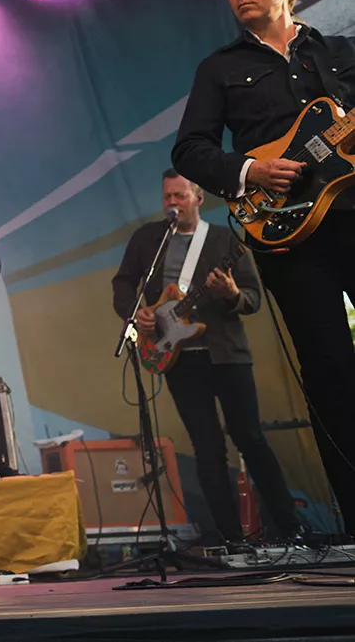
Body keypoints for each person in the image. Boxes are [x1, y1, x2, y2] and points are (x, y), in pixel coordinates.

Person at [173, 0, 355, 537]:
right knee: (329, 373)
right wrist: (251, 170)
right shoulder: (220, 69)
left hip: (353, 212)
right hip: (288, 237)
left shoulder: (340, 52)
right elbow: (191, 150)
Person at [111, 169, 299, 546]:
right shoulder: (148, 239)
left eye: (180, 196)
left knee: (250, 438)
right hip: (178, 359)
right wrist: (137, 313)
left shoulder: (225, 239)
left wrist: (231, 292)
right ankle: (230, 538)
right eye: (167, 197)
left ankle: (292, 528)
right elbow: (123, 283)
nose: (172, 203)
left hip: (227, 354)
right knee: (207, 448)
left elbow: (252, 298)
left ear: (198, 198)